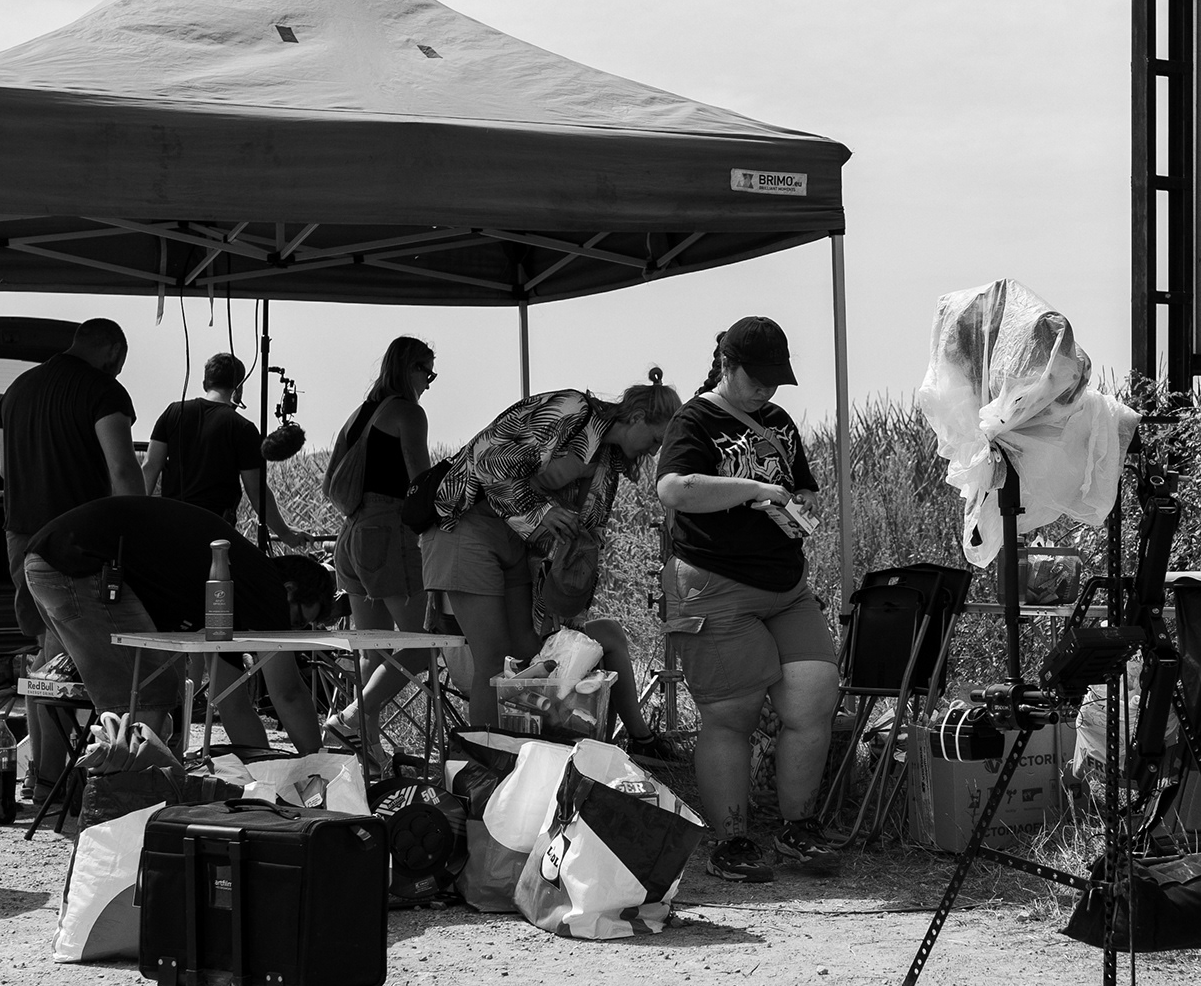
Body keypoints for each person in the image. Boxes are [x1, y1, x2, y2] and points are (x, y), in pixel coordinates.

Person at [654, 317, 841, 884]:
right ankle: (731, 840)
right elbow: (674, 488)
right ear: (727, 366)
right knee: (730, 716)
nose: (767, 390)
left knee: (813, 701)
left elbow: (801, 483)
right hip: (716, 585)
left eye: (775, 380)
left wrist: (798, 500)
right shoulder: (694, 419)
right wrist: (753, 490)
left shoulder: (778, 421)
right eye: (756, 379)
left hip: (786, 586)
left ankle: (797, 829)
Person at [422, 376, 681, 753]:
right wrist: (542, 511)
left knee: (525, 653)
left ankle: (530, 755)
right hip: (467, 525)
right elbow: (489, 459)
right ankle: (486, 766)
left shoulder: (607, 463)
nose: (654, 451)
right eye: (656, 439)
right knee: (493, 658)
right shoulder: (572, 410)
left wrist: (572, 587)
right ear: (638, 417)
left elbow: (582, 538)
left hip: (515, 540)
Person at [17, 493, 322, 758]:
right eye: (296, 620)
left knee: (74, 684)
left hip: (47, 557)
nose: (291, 630)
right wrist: (319, 770)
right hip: (81, 561)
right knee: (147, 692)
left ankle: (49, 784)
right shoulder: (266, 585)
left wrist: (267, 776)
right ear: (289, 590)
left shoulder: (234, 591)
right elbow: (289, 693)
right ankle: (133, 797)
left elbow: (232, 703)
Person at [321, 336, 439, 750]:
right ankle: (351, 719)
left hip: (352, 534)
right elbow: (422, 484)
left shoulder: (359, 415)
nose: (428, 382)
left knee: (373, 650)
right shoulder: (408, 412)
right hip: (389, 530)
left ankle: (364, 750)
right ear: (408, 369)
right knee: (424, 643)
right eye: (427, 372)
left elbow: (331, 483)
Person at [0, 320, 141, 641]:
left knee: (45, 636)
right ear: (114, 351)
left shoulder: (16, 390)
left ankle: (41, 674)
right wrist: (140, 532)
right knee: (85, 639)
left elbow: (4, 469)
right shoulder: (104, 390)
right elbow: (122, 469)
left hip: (20, 536)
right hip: (75, 540)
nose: (118, 372)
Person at [146, 355, 302, 547]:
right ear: (239, 387)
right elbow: (256, 490)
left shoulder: (172, 412)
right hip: (214, 530)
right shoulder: (242, 428)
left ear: (205, 383)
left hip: (171, 525)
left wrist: (134, 517)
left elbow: (150, 467)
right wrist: (285, 533)